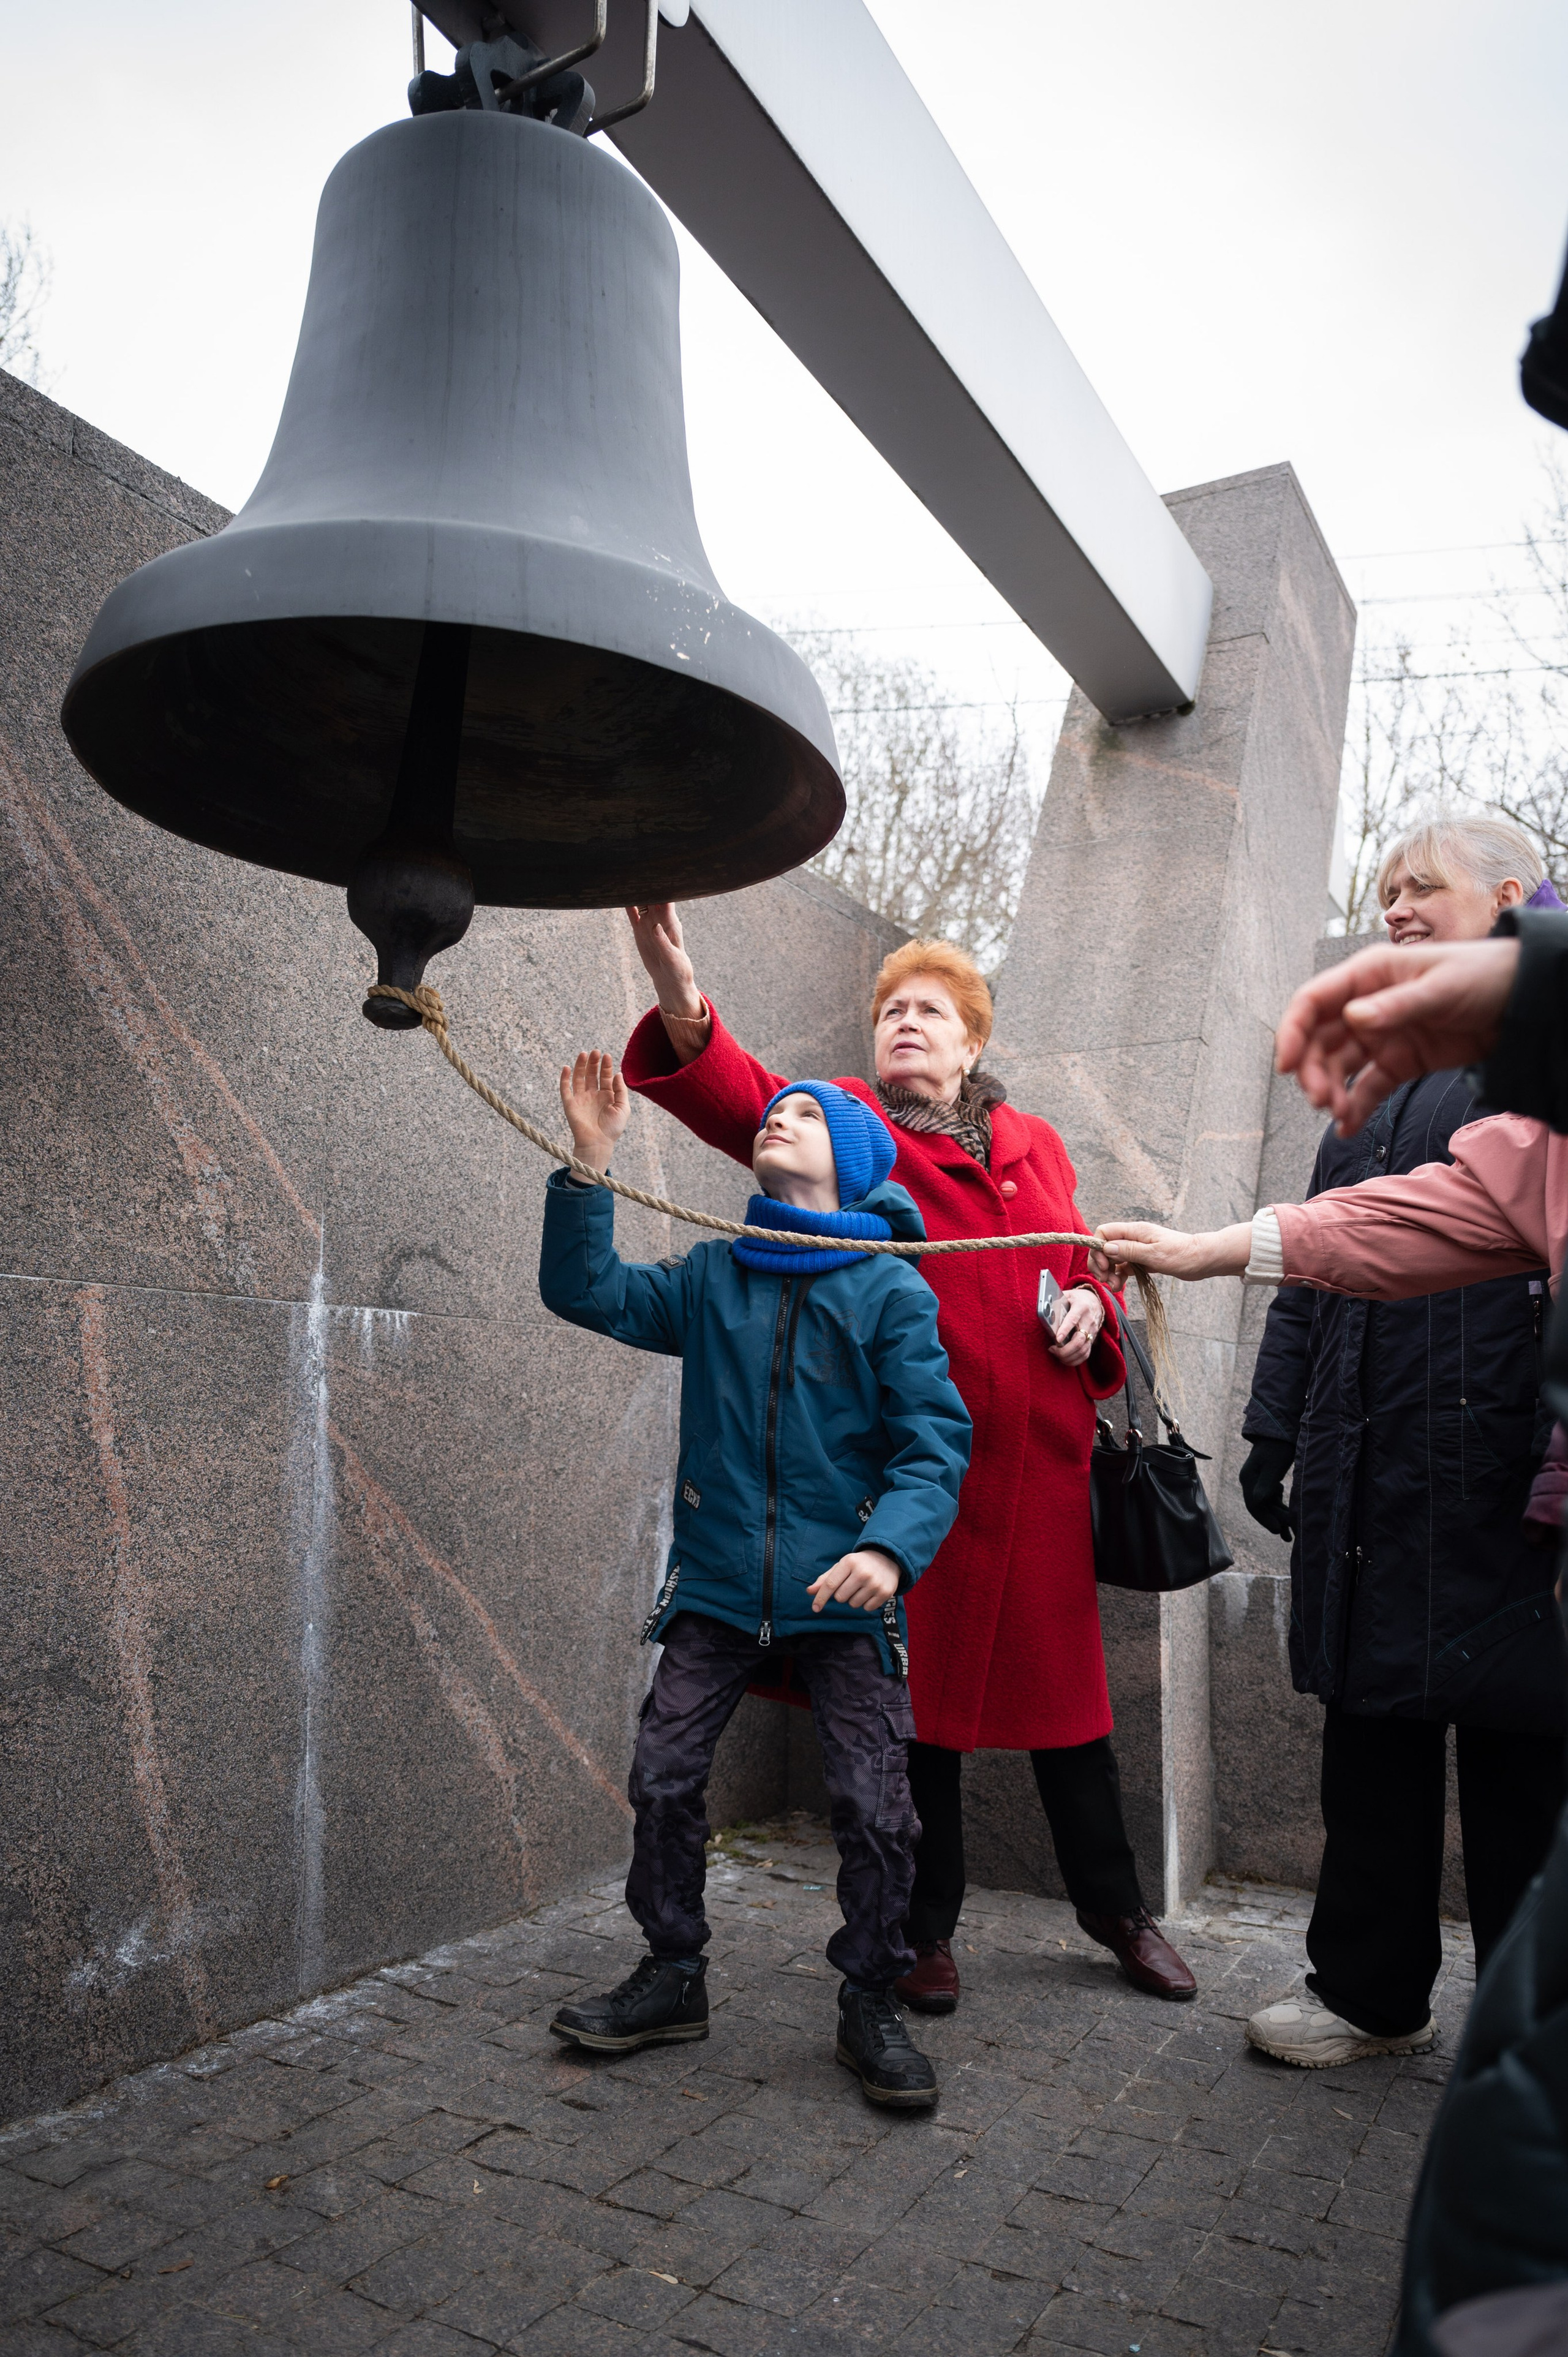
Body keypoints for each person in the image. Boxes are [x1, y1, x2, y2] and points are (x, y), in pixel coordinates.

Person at [616, 906, 1200, 2012]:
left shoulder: (1041, 1148)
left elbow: (1083, 1268)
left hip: (1037, 1481)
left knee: (1073, 1721)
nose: (907, 1026)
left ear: (973, 1042)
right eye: (891, 1012)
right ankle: (925, 1932)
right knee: (912, 1717)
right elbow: (741, 1098)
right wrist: (682, 997)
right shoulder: (855, 1139)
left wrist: (1088, 1306)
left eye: (930, 1011)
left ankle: (1117, 1913)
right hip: (912, 1490)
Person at [538, 1052, 971, 2108]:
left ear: (853, 1165)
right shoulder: (712, 1276)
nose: (777, 1118)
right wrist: (590, 1164)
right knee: (665, 1774)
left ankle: (871, 1994)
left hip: (845, 1594)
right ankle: (673, 1971)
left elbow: (936, 1445)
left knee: (875, 1810)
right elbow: (585, 1291)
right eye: (772, 1111)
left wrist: (888, 1550)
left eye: (805, 1117)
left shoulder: (890, 1292)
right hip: (721, 1584)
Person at [1233, 817, 1562, 2069]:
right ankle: (1366, 1991)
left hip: (1504, 1482)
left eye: (1420, 886)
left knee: (1519, 1767)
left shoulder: (1544, 1063)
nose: (1395, 909)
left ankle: (1529, 2029)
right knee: (1369, 1744)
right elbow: (1312, 1262)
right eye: (1382, 892)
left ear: (1514, 901)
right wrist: (1273, 1430)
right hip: (1369, 1475)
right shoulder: (1364, 1096)